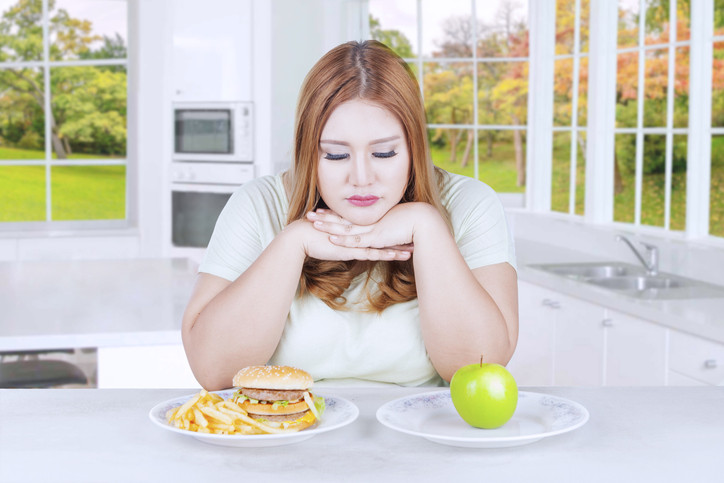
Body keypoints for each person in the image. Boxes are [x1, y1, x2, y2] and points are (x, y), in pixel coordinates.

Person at [182, 40, 518, 390]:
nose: (361, 178)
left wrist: (428, 227)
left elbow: (480, 367)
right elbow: (214, 371)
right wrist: (292, 243)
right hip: (288, 425)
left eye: (384, 153)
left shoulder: (470, 204)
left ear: (413, 148)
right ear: (309, 153)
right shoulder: (258, 204)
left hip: (419, 424)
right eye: (336, 155)